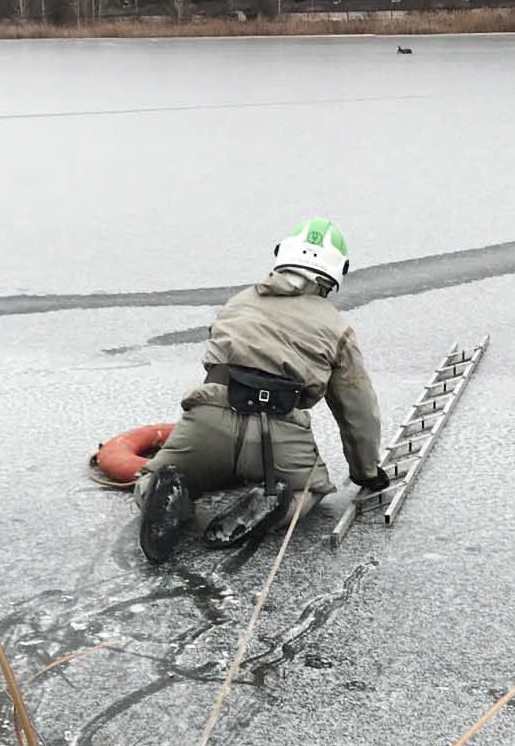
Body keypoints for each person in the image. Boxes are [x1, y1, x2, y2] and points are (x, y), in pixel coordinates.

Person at [134, 218, 388, 563]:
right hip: (280, 431)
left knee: (153, 476)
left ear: (281, 256)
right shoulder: (336, 328)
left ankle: (166, 494)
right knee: (310, 488)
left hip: (209, 418)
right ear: (335, 274)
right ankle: (273, 502)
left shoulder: (238, 302)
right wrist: (366, 472)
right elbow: (358, 411)